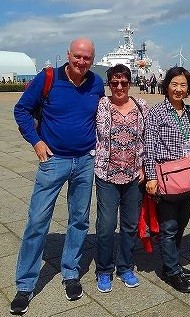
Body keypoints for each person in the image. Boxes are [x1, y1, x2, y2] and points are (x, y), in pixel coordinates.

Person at [11, 38, 105, 315]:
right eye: (77, 56)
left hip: (86, 160)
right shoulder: (48, 77)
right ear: (68, 55)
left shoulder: (96, 83)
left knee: (79, 220)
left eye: (87, 58)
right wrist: (36, 142)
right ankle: (25, 285)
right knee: (37, 221)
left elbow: (103, 116)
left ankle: (71, 273)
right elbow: (22, 110)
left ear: (93, 59)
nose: (81, 62)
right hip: (54, 160)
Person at [144, 66, 190, 293]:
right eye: (174, 84)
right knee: (169, 226)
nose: (178, 89)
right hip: (165, 176)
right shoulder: (156, 113)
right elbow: (149, 147)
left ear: (188, 89)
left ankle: (173, 262)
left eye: (183, 85)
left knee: (182, 222)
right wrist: (150, 177)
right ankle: (172, 271)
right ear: (166, 86)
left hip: (186, 176)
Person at [94, 64, 148, 292]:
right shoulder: (101, 105)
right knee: (106, 226)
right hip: (106, 174)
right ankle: (104, 269)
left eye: (123, 83)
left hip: (134, 175)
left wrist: (147, 168)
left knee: (130, 225)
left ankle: (125, 266)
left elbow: (149, 138)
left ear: (129, 83)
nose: (119, 87)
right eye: (114, 82)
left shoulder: (141, 106)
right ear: (109, 83)